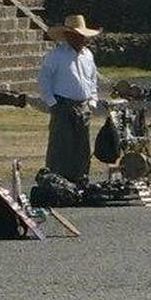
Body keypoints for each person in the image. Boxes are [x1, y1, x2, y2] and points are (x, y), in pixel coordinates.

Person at [38, 15, 101, 183]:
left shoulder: (88, 55)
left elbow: (92, 79)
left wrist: (92, 100)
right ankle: (56, 180)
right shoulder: (56, 55)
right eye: (80, 35)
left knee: (82, 147)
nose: (84, 39)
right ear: (69, 36)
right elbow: (44, 78)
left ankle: (80, 180)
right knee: (61, 146)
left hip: (83, 105)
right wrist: (52, 102)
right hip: (63, 104)